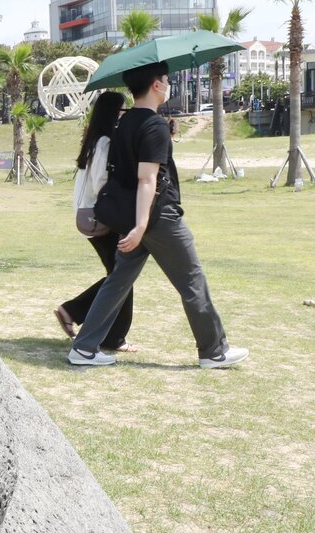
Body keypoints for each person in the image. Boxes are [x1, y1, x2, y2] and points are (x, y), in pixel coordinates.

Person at [66, 61, 248, 369]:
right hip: (157, 218)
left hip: (135, 219)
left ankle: (83, 348)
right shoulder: (153, 125)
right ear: (156, 85)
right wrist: (140, 226)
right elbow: (146, 179)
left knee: (117, 283)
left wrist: (135, 227)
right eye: (166, 79)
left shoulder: (122, 125)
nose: (168, 84)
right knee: (192, 280)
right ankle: (214, 351)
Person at [54, 91, 136, 352]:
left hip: (93, 216)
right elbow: (101, 181)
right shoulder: (103, 142)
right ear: (114, 113)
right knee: (121, 277)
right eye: (123, 112)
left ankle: (76, 312)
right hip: (104, 219)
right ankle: (107, 334)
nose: (125, 117)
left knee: (119, 276)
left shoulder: (95, 139)